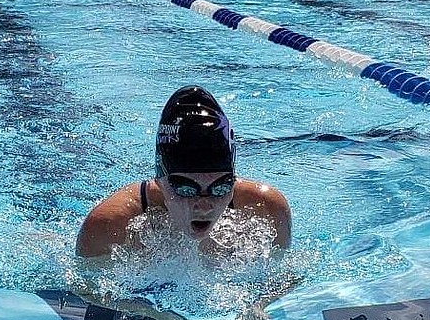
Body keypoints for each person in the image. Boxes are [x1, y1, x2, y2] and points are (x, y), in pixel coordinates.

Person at [76, 86, 291, 259]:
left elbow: (280, 279)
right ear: (160, 179)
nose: (205, 205)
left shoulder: (268, 208)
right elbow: (88, 295)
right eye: (187, 189)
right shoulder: (109, 225)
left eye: (221, 187)